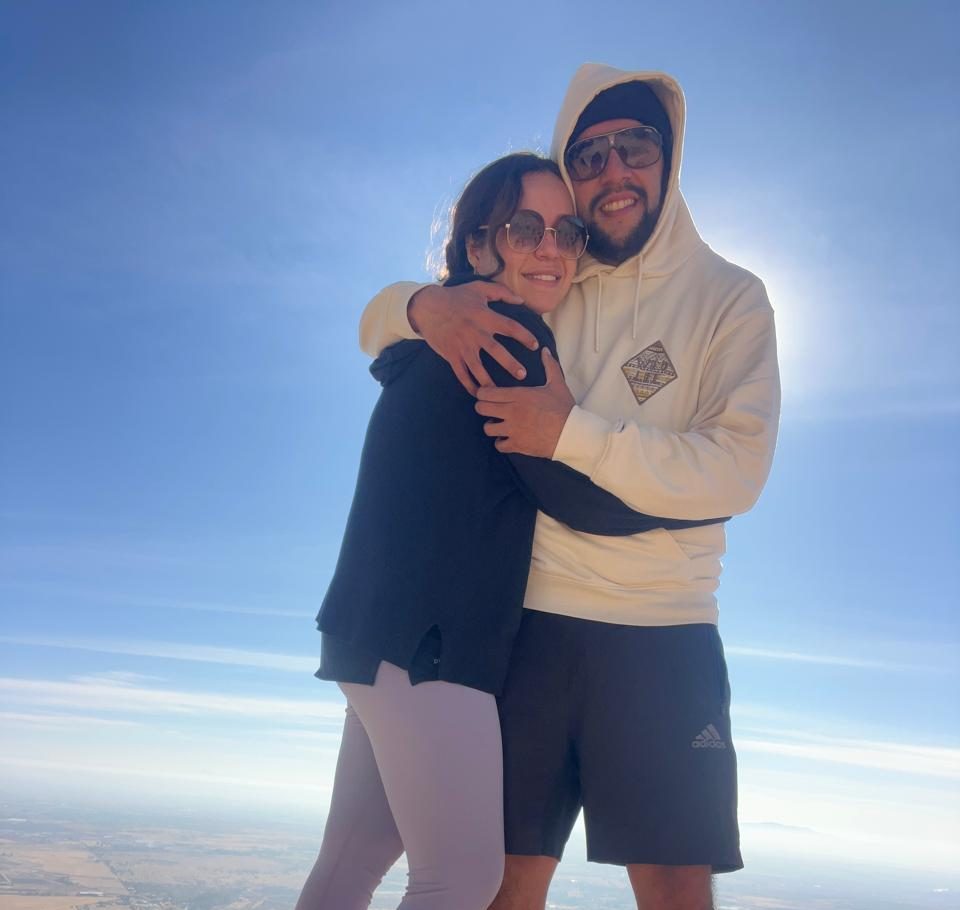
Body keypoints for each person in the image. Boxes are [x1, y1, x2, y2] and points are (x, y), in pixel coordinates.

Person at [357, 64, 781, 910]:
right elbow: (387, 324)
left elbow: (738, 468)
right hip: (531, 626)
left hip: (664, 630)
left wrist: (572, 434)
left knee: (673, 886)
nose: (613, 171)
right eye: (588, 157)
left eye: (635, 146)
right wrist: (416, 307)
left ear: (670, 157)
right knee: (505, 885)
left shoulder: (732, 298)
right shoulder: (556, 271)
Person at [297, 152, 725, 910]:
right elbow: (571, 493)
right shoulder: (507, 336)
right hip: (431, 648)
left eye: (568, 232)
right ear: (478, 242)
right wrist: (696, 500)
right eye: (527, 228)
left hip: (368, 638)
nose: (551, 248)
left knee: (353, 860)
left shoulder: (436, 329)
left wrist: (419, 302)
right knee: (461, 880)